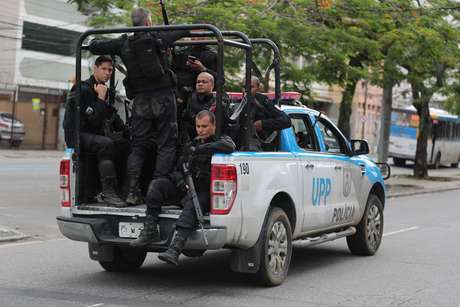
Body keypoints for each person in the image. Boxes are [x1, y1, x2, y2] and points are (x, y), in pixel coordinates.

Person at [87, 8, 190, 206]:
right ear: (149, 23)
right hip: (163, 98)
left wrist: (100, 42)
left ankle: (132, 191)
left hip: (141, 101)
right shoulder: (158, 38)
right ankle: (156, 191)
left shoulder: (123, 42)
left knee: (138, 146)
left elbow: (94, 46)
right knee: (167, 144)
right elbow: (188, 30)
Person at [130, 111, 235, 265]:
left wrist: (200, 149)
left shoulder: (220, 140)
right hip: (185, 188)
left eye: (205, 126)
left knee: (193, 205)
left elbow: (229, 145)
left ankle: (175, 248)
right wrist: (180, 181)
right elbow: (176, 169)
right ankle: (150, 229)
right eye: (198, 126)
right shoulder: (191, 144)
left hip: (203, 193)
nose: (200, 130)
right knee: (157, 185)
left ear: (213, 126)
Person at [63, 55, 127, 207]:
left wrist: (127, 130)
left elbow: (111, 115)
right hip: (77, 135)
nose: (107, 73)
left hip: (92, 134)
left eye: (110, 70)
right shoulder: (82, 88)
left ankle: (124, 190)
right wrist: (100, 98)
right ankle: (108, 193)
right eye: (104, 69)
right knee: (106, 144)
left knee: (125, 144)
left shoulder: (104, 89)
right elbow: (93, 121)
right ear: (95, 69)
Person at [247, 76, 291, 151]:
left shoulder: (263, 102)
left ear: (258, 88)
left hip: (262, 150)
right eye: (244, 87)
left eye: (251, 87)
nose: (246, 90)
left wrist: (262, 124)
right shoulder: (237, 104)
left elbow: (286, 120)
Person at [173, 33, 217, 103]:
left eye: (196, 35)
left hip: (198, 97)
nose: (193, 38)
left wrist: (202, 69)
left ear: (204, 37)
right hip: (177, 93)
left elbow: (220, 80)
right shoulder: (182, 51)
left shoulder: (211, 54)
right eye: (191, 35)